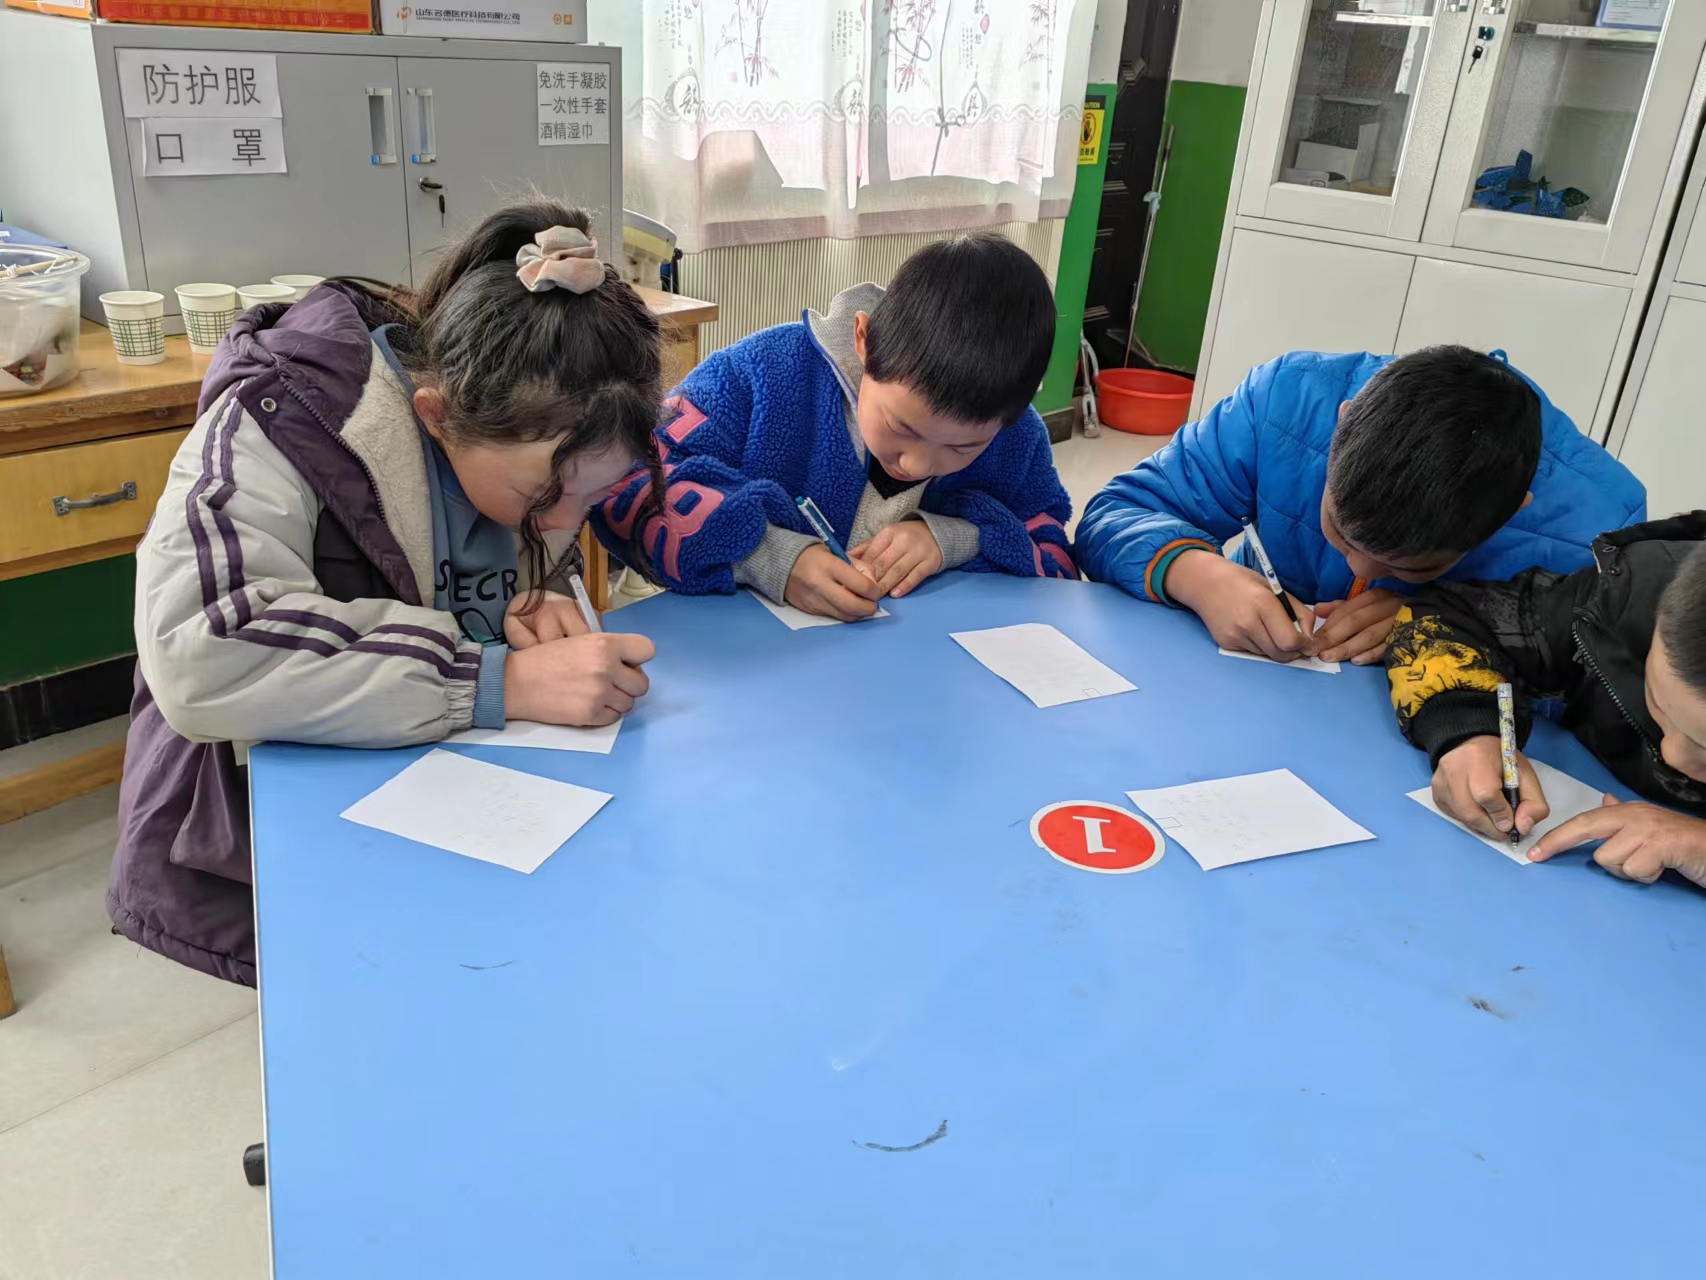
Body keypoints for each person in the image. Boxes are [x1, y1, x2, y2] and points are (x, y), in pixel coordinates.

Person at [112, 200, 665, 985]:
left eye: (595, 497)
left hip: (459, 814)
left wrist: (539, 587)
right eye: (542, 499)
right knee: (365, 992)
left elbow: (530, 531)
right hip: (281, 822)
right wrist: (495, 679)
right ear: (435, 417)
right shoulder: (281, 414)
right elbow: (201, 650)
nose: (566, 522)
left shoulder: (533, 425)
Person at [592, 233, 1075, 620]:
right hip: (750, 669)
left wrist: (955, 539)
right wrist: (768, 555)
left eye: (963, 448)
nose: (917, 465)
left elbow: (1055, 559)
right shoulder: (760, 375)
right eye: (902, 427)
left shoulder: (1016, 435)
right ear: (864, 340)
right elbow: (624, 482)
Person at [1074, 346, 1646, 665]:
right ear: (1341, 425)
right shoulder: (1287, 401)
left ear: (1512, 511)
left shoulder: (1596, 531)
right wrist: (1197, 574)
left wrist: (1447, 622)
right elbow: (1115, 511)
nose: (1359, 569)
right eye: (1340, 531)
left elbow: (1596, 694)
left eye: (1412, 567)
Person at [1385, 513, 1706, 887]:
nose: (1672, 755)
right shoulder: (1625, 598)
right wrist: (1468, 727)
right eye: (1658, 701)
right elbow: (1447, 616)